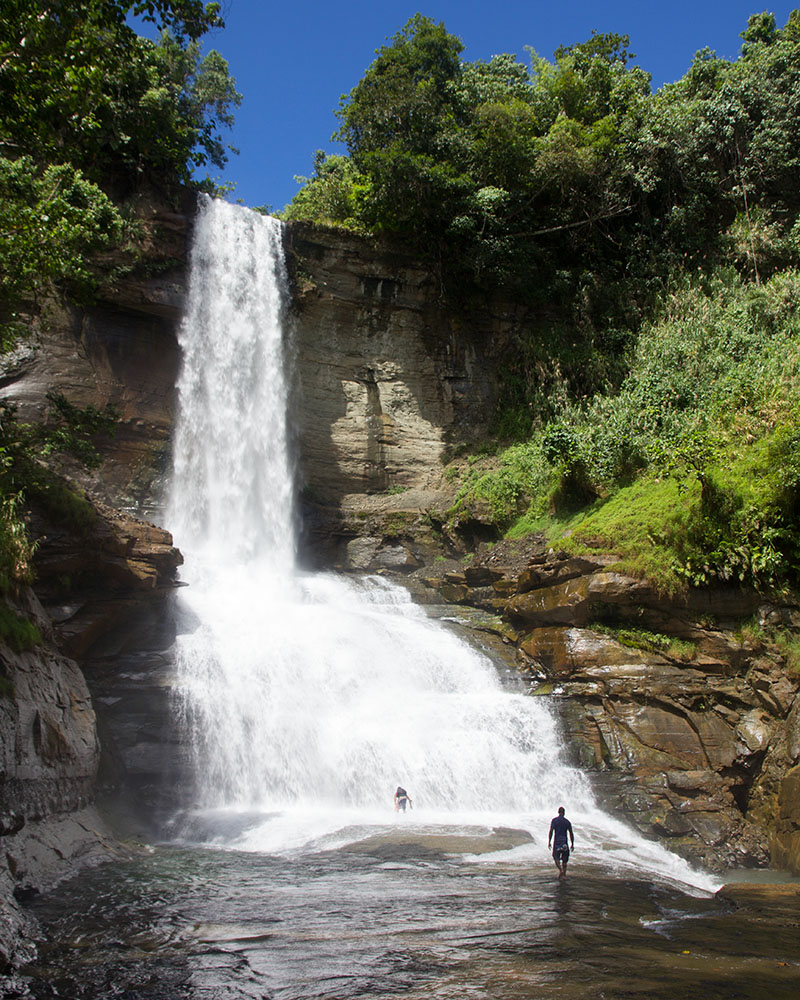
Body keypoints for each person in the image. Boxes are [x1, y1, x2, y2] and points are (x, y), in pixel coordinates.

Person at [548, 806, 574, 879]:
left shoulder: (554, 821)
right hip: (564, 842)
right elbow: (571, 833)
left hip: (557, 842)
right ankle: (564, 875)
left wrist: (549, 841)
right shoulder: (567, 822)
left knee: (556, 857)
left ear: (558, 812)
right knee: (565, 860)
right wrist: (572, 844)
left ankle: (561, 870)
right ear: (564, 813)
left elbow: (551, 831)